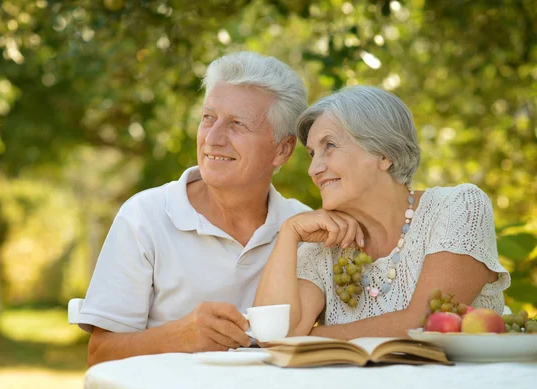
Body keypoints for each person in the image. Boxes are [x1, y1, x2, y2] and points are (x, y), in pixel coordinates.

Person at [79, 51, 310, 365]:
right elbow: (99, 354)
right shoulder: (143, 217)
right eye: (208, 118)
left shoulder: (304, 228)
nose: (212, 138)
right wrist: (178, 337)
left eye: (237, 124)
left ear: (283, 150)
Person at [253, 86, 510, 340]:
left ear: (385, 154)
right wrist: (289, 233)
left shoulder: (457, 207)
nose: (313, 169)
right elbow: (274, 335)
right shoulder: (324, 244)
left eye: (329, 145)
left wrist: (312, 336)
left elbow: (423, 323)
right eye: (311, 154)